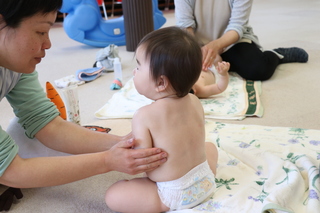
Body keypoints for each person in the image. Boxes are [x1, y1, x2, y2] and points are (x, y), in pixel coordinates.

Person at [0, 0, 167, 210]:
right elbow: (13, 172)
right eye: (40, 32)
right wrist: (107, 161)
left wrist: (121, 143)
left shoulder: (17, 65)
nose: (48, 44)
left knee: (23, 131)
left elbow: (46, 124)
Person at [105, 26, 218, 212]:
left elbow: (144, 165)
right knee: (210, 147)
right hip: (205, 179)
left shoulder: (143, 115)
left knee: (113, 194)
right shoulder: (195, 101)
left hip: (172, 193)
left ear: (161, 83)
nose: (134, 72)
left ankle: (163, 204)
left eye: (139, 67)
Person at [174, 0, 309, 81]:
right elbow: (185, 25)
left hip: (232, 41)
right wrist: (199, 51)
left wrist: (216, 47)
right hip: (196, 43)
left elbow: (237, 26)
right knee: (171, 67)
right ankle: (228, 63)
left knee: (258, 70)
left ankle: (276, 55)